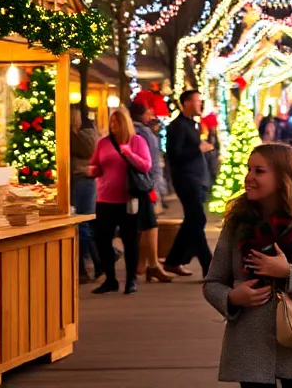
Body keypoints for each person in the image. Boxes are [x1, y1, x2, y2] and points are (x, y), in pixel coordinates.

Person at [203, 143, 292, 387]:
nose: (249, 177)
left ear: (284, 177)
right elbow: (212, 282)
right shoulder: (237, 221)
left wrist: (288, 273)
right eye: (249, 170)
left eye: (259, 171)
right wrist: (232, 297)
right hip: (250, 344)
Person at [87, 105, 152, 295]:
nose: (113, 126)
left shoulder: (137, 141)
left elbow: (146, 166)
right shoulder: (103, 143)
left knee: (130, 240)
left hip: (128, 199)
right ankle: (110, 278)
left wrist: (128, 153)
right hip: (105, 199)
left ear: (125, 124)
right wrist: (93, 170)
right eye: (111, 122)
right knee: (102, 239)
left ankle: (131, 279)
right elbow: (95, 164)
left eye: (117, 122)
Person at [164, 89, 215, 277]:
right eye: (196, 101)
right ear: (185, 103)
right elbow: (173, 155)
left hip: (197, 178)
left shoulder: (193, 125)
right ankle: (208, 266)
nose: (200, 104)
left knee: (193, 221)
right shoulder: (176, 126)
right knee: (196, 219)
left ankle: (173, 261)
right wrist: (198, 148)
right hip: (186, 179)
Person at [130, 101, 173, 284]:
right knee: (149, 224)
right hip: (146, 183)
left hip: (134, 183)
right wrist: (157, 184)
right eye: (149, 112)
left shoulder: (129, 131)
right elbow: (153, 161)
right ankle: (150, 264)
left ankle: (143, 263)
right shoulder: (145, 133)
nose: (152, 116)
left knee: (142, 224)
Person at [70, 107, 100, 283]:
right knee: (84, 225)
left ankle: (86, 266)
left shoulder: (84, 135)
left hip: (82, 182)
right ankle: (102, 259)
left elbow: (88, 149)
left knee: (83, 225)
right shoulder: (81, 135)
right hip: (80, 182)